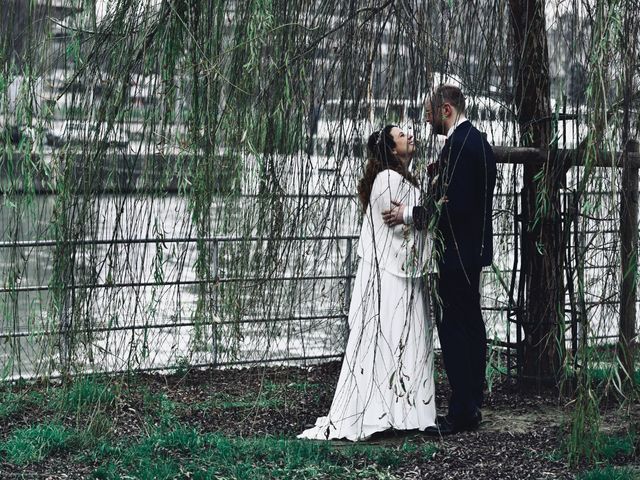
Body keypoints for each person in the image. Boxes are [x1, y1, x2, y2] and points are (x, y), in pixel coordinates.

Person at [298, 125, 436, 441]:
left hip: (401, 273)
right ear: (390, 148)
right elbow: (399, 228)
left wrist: (418, 209)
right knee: (390, 337)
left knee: (402, 339)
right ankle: (386, 410)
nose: (410, 136)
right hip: (391, 277)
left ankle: (403, 410)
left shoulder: (400, 178)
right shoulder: (387, 180)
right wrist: (419, 215)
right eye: (402, 136)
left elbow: (411, 219)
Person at [382, 85, 497, 435]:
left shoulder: (459, 147)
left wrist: (409, 213)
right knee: (472, 324)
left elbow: (454, 208)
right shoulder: (480, 142)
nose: (426, 120)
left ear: (446, 110)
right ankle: (471, 403)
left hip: (455, 252)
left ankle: (462, 411)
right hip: (472, 250)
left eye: (429, 113)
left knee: (455, 327)